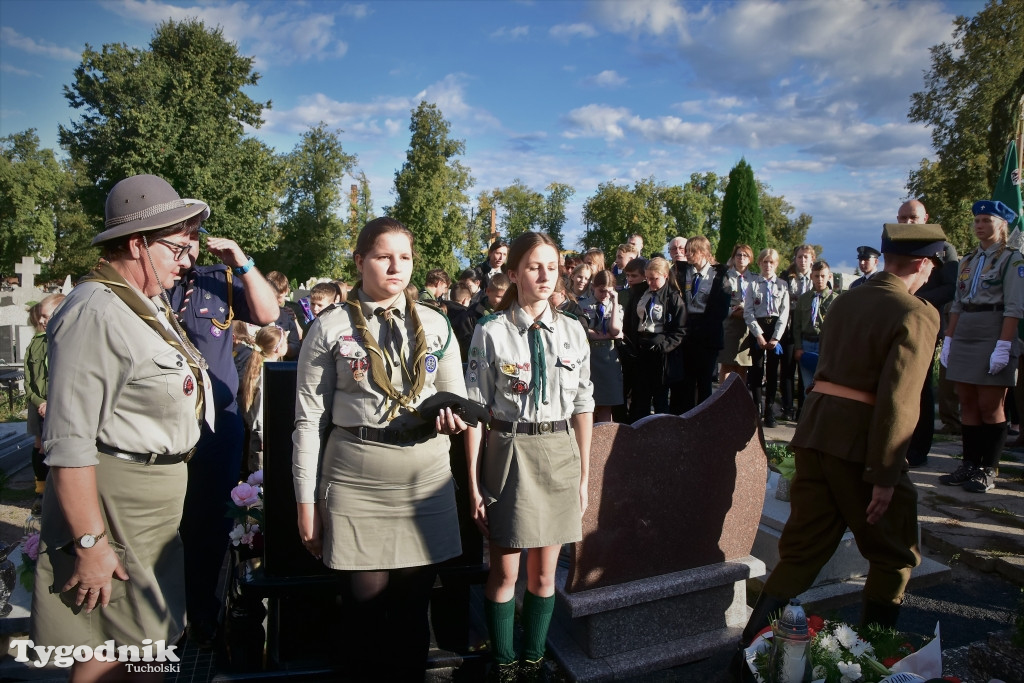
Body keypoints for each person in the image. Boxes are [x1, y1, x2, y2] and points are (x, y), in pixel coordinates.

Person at [737, 223, 946, 661]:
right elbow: (900, 399)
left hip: (816, 435)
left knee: (801, 551)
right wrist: (885, 474)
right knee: (893, 557)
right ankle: (870, 656)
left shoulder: (848, 301)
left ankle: (749, 650)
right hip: (862, 447)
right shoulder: (917, 312)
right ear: (925, 264)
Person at [33, 174, 212, 681]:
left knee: (132, 648)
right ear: (137, 244)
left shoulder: (140, 302)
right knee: (128, 652)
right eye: (178, 247)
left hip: (149, 502)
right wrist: (91, 545)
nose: (188, 259)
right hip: (115, 502)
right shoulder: (96, 310)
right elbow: (69, 445)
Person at [293, 217, 468, 680]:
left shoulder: (435, 323)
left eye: (405, 257)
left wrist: (453, 418)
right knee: (362, 615)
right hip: (356, 479)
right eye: (383, 256)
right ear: (360, 261)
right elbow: (308, 422)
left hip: (422, 481)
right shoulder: (329, 327)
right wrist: (305, 501)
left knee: (413, 617)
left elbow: (454, 398)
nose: (396, 266)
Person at [464, 231, 594, 681]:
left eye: (552, 267)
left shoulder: (574, 331)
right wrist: (476, 481)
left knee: (544, 577)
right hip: (510, 450)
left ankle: (534, 659)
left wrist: (583, 476)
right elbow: (476, 412)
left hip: (559, 452)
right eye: (534, 266)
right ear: (514, 272)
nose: (544, 275)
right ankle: (503, 662)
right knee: (505, 573)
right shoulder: (491, 332)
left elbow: (583, 405)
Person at [167, 215, 279, 649]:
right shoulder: (149, 287)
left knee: (211, 526)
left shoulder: (219, 279)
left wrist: (243, 262)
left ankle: (203, 617)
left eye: (194, 237)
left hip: (218, 424)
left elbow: (268, 313)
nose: (188, 246)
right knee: (167, 526)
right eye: (180, 237)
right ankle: (165, 617)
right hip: (165, 426)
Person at [940, 200, 1023, 493]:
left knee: (991, 404)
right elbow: (958, 303)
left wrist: (1003, 345)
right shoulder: (968, 260)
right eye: (977, 220)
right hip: (965, 332)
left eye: (986, 220)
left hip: (993, 330)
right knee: (968, 402)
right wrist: (949, 338)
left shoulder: (1012, 259)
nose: (979, 225)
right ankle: (970, 464)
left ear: (1001, 225)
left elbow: (1013, 306)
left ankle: (988, 468)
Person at [623, 257, 686, 422]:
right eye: (648, 278)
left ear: (665, 275)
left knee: (660, 397)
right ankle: (638, 430)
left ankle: (662, 431)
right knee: (640, 394)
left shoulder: (673, 298)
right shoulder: (641, 293)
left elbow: (680, 330)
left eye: (654, 278)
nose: (650, 282)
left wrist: (664, 346)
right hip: (641, 348)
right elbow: (631, 319)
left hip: (660, 353)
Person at [672, 236, 730, 414]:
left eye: (692, 251)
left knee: (704, 380)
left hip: (707, 333)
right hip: (687, 331)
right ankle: (686, 416)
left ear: (704, 253)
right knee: (686, 379)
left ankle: (705, 416)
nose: (687, 255)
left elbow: (721, 307)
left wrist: (702, 327)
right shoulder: (682, 271)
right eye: (686, 251)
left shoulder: (719, 274)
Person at [23, 293, 65, 515]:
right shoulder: (37, 343)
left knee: (59, 449)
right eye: (40, 316)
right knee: (39, 447)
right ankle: (41, 492)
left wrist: (53, 403)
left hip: (61, 406)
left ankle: (61, 494)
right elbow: (29, 379)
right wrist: (39, 402)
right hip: (38, 405)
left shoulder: (70, 339)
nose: (40, 321)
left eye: (45, 317)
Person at [744, 249, 790, 428]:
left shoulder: (782, 285)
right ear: (759, 264)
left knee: (772, 372)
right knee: (756, 371)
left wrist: (776, 338)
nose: (768, 265)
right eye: (764, 262)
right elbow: (748, 312)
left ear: (776, 264)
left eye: (771, 262)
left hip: (775, 330)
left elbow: (784, 314)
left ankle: (770, 409)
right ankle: (757, 408)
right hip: (758, 329)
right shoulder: (753, 284)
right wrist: (759, 335)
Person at [239, 325, 287, 474]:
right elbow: (261, 411)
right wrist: (263, 437)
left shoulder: (260, 365)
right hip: (263, 440)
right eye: (285, 342)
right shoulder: (267, 372)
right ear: (277, 349)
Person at [579, 270, 624, 423]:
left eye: (608, 291)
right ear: (593, 287)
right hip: (589, 356)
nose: (604, 295)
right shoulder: (582, 306)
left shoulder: (615, 307)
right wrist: (602, 334)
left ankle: (604, 441)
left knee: (606, 402)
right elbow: (582, 331)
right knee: (587, 403)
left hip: (609, 357)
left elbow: (616, 331)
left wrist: (615, 301)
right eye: (601, 290)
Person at [792, 260, 840, 395]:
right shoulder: (804, 299)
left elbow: (837, 328)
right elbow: (796, 325)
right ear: (811, 276)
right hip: (806, 344)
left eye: (823, 276)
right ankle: (809, 415)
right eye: (817, 276)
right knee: (808, 387)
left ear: (829, 276)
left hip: (824, 346)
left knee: (824, 386)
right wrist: (798, 347)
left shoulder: (836, 299)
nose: (820, 279)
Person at [780, 245, 816, 419]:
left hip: (807, 327)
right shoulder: (787, 277)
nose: (802, 260)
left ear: (812, 260)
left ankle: (803, 408)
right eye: (799, 257)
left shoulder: (817, 278)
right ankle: (787, 407)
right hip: (788, 326)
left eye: (806, 257)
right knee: (787, 369)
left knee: (805, 370)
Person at [718, 244, 756, 383]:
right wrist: (732, 312)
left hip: (746, 326)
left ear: (750, 258)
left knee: (742, 366)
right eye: (738, 255)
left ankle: (738, 400)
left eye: (745, 255)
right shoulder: (725, 277)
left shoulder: (754, 279)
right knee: (727, 365)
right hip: (729, 324)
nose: (741, 258)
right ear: (733, 258)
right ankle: (723, 400)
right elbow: (720, 301)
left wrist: (746, 311)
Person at [265, 270, 303, 359]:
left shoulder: (292, 310)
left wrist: (281, 347)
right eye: (272, 296)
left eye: (279, 297)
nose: (275, 301)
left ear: (287, 291)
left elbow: (300, 339)